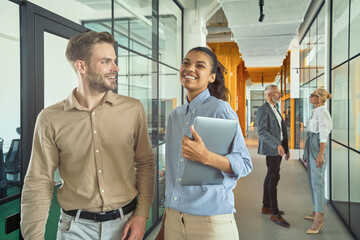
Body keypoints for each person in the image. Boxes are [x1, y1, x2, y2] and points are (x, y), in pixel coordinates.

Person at [20, 31, 155, 240]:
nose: (115, 68)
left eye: (115, 61)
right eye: (106, 61)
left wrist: (142, 215)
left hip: (126, 225)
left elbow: (145, 164)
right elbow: (38, 181)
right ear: (81, 66)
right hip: (75, 229)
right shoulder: (50, 118)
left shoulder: (133, 109)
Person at [156, 47, 252, 240]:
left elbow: (244, 164)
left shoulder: (220, 109)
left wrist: (206, 157)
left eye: (200, 65)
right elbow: (175, 176)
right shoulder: (175, 116)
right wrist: (166, 224)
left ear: (211, 77)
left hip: (210, 220)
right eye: (186, 63)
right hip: (174, 218)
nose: (190, 68)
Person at [255, 84, 290, 228]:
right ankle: (274, 213)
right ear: (269, 95)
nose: (280, 95)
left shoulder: (275, 109)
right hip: (272, 148)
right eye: (277, 93)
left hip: (279, 147)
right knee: (274, 177)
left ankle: (266, 206)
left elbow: (281, 129)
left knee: (270, 175)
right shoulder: (263, 110)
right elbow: (262, 131)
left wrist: (286, 148)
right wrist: (277, 145)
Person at [304, 88, 332, 234]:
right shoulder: (315, 111)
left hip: (318, 146)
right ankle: (316, 210)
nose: (310, 97)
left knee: (317, 181)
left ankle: (319, 219)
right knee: (312, 179)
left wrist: (320, 154)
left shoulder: (323, 112)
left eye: (312, 95)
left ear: (320, 98)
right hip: (311, 143)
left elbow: (324, 134)